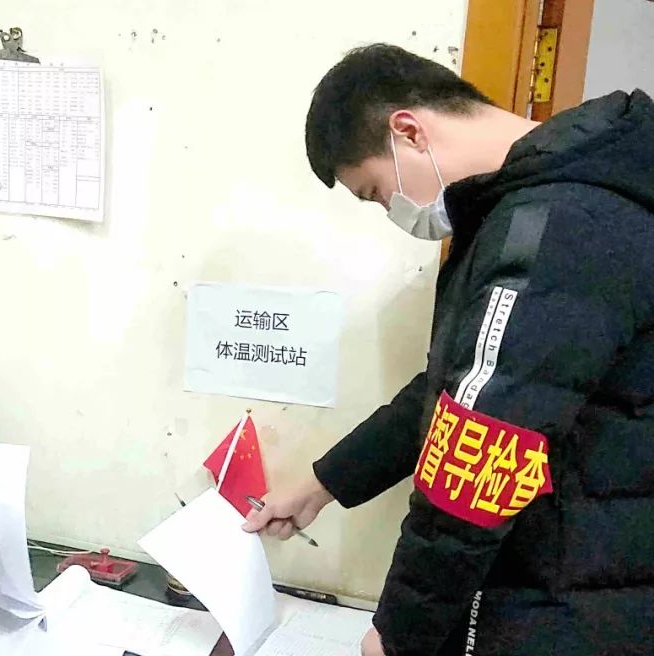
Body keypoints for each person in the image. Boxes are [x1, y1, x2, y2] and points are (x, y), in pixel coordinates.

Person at [244, 44, 654, 655]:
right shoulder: (532, 206)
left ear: (409, 131)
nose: (390, 211)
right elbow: (459, 390)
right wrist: (322, 484)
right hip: (573, 573)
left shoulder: (561, 221)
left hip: (572, 599)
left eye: (375, 192)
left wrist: (399, 632)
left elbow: (483, 450)